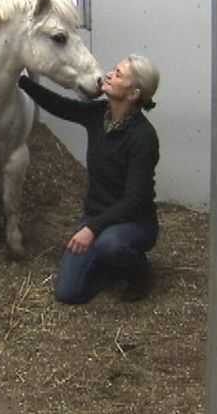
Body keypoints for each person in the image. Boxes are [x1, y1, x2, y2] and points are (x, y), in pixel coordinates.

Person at [18, 54, 160, 304]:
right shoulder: (99, 114)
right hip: (97, 218)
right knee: (69, 293)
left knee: (110, 245)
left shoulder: (143, 137)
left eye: (118, 75)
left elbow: (135, 200)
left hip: (134, 222)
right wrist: (21, 81)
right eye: (113, 69)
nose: (108, 75)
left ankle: (139, 273)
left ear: (133, 93)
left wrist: (91, 229)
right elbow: (59, 105)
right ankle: (111, 267)